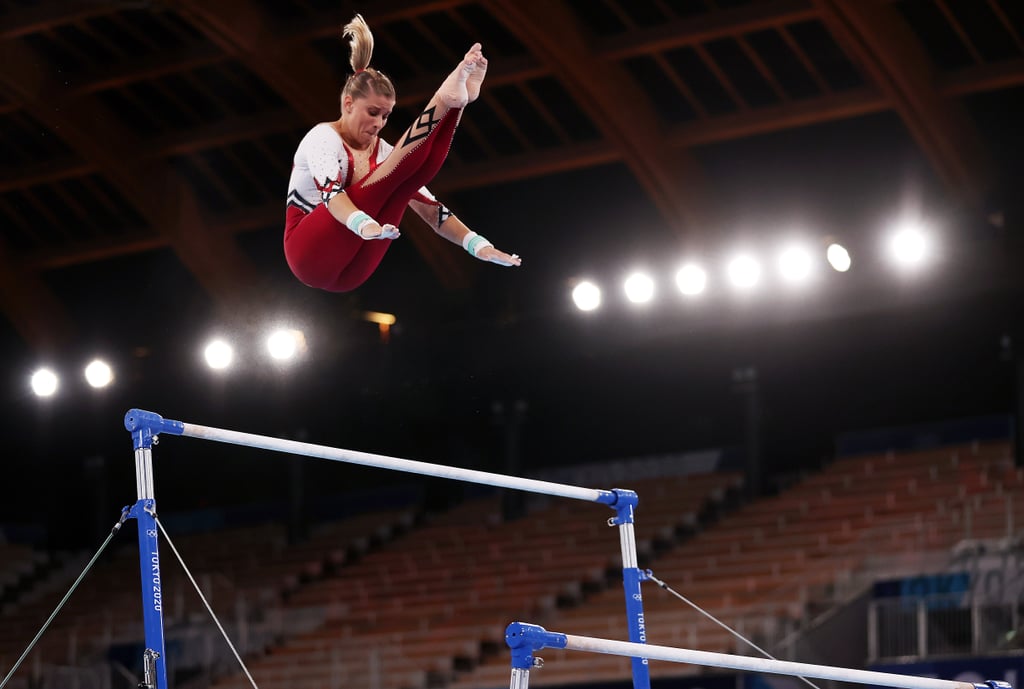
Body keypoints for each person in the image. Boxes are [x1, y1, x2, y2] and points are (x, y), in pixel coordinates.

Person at [284, 14, 521, 293]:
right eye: (372, 113)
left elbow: (432, 211)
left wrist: (479, 246)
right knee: (393, 173)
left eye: (385, 116)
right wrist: (365, 226)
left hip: (352, 271)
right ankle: (445, 100)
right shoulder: (323, 138)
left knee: (405, 183)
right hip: (308, 253)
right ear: (348, 104)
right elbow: (332, 196)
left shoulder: (382, 151)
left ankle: (456, 105)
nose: (378, 123)